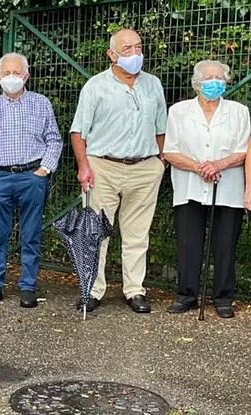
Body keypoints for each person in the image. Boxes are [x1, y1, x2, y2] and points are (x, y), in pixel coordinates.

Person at [70, 28, 167, 314]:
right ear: (111, 54)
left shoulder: (153, 84)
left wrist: (160, 162)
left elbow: (161, 128)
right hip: (103, 166)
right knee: (95, 232)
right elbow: (78, 132)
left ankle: (135, 290)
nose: (135, 53)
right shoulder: (95, 86)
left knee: (138, 234)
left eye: (138, 47)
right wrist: (84, 166)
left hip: (145, 168)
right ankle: (92, 291)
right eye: (127, 49)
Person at [0, 53, 62, 308]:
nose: (11, 77)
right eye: (6, 73)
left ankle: (28, 286)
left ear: (26, 76)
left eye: (17, 72)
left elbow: (54, 139)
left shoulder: (41, 103)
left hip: (31, 177)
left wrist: (44, 169)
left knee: (31, 234)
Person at [164, 60, 249, 318]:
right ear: (197, 83)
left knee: (225, 244)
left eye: (220, 78)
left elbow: (244, 150)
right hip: (189, 186)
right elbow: (170, 151)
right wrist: (199, 167)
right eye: (209, 78)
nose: (215, 82)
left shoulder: (239, 111)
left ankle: (223, 298)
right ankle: (186, 295)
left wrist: (218, 164)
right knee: (188, 243)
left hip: (228, 187)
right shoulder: (179, 111)